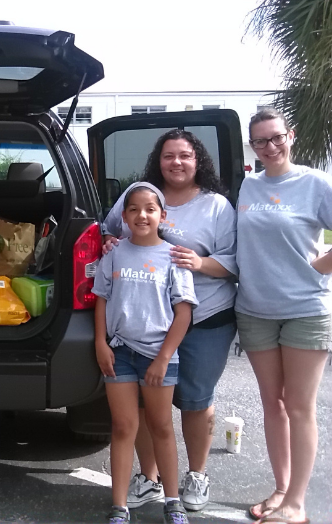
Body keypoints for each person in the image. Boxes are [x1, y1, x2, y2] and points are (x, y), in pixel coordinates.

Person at [102, 129, 238, 511]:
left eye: (184, 155)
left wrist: (200, 262)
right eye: (168, 156)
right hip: (146, 323)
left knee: (195, 400)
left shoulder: (216, 206)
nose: (176, 162)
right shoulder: (140, 196)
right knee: (145, 405)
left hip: (204, 316)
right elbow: (108, 232)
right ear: (157, 161)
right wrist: (109, 242)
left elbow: (235, 259)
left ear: (198, 161)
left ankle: (195, 475)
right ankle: (149, 477)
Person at [235, 108, 331, 524]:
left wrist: (319, 266)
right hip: (255, 310)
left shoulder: (315, 183)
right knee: (271, 404)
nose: (270, 147)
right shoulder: (248, 185)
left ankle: (296, 502)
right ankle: (280, 489)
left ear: (290, 136)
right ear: (252, 146)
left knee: (298, 406)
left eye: (276, 138)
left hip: (304, 310)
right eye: (260, 141)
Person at [93, 182, 197, 524]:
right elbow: (101, 299)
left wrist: (164, 357)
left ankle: (172, 501)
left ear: (162, 216)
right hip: (119, 352)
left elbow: (183, 313)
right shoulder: (114, 254)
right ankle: (119, 507)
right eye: (134, 209)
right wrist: (100, 343)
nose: (142, 215)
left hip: (158, 357)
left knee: (161, 426)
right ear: (124, 216)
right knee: (124, 426)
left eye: (150, 209)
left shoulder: (173, 256)